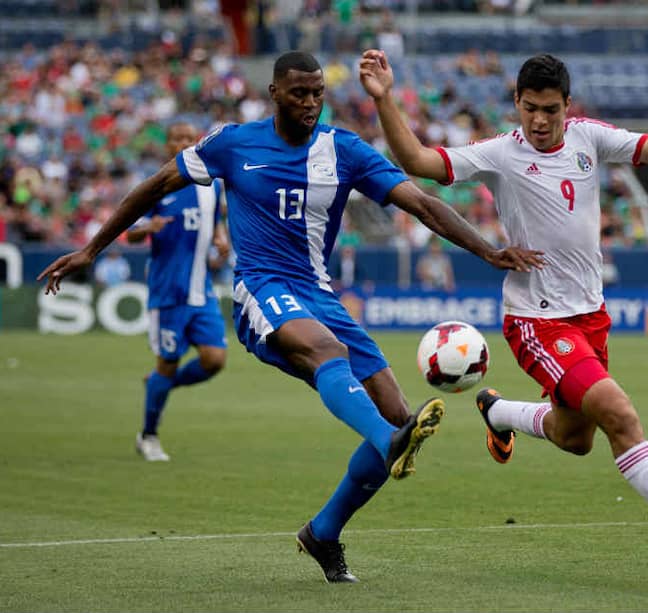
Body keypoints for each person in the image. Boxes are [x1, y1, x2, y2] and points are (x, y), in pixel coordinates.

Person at [39, 51, 544, 584]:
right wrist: (92, 249)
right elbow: (154, 187)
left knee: (398, 417)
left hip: (319, 296)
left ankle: (324, 532)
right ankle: (386, 440)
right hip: (261, 287)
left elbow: (420, 203)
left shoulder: (344, 149)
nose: (310, 104)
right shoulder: (233, 143)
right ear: (275, 93)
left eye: (318, 94)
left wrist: (488, 251)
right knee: (342, 372)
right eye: (299, 94)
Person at [360, 49, 648, 573]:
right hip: (536, 320)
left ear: (568, 105)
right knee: (620, 416)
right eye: (529, 109)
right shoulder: (501, 152)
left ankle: (498, 412)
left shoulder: (589, 137)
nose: (539, 121)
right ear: (516, 104)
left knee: (576, 438)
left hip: (591, 316)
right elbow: (420, 163)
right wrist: (385, 98)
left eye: (550, 109)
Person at [125, 121, 230, 462]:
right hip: (168, 290)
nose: (184, 142)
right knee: (167, 363)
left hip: (202, 289)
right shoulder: (158, 185)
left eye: (189, 138)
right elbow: (131, 233)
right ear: (168, 144)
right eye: (177, 138)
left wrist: (219, 238)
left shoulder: (210, 184)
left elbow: (213, 222)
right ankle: (148, 434)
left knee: (214, 360)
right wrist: (147, 229)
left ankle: (159, 384)